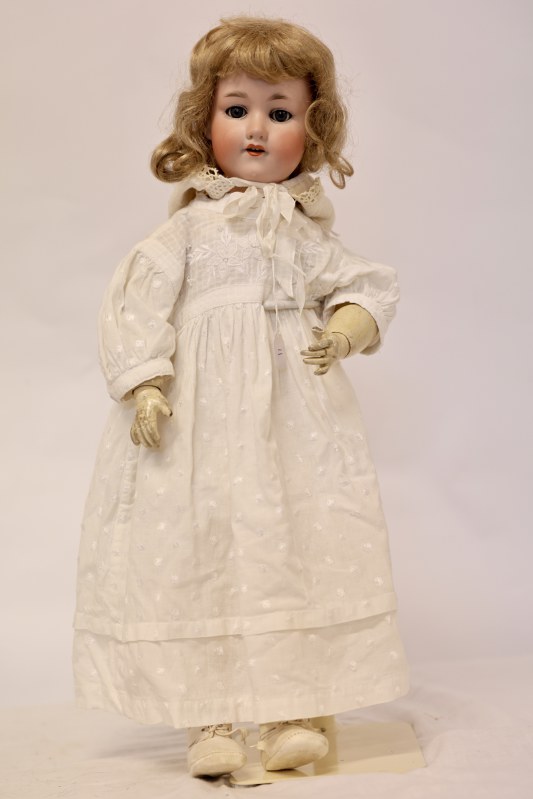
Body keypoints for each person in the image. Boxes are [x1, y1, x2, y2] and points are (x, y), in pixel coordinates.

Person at [73, 15, 409, 778]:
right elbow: (135, 303)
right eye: (237, 108)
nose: (257, 127)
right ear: (205, 122)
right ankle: (210, 718)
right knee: (201, 550)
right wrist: (146, 383)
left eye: (279, 111)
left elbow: (365, 285)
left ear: (311, 130)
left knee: (296, 546)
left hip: (296, 424)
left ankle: (295, 710)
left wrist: (345, 330)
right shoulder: (190, 232)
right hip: (197, 423)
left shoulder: (302, 233)